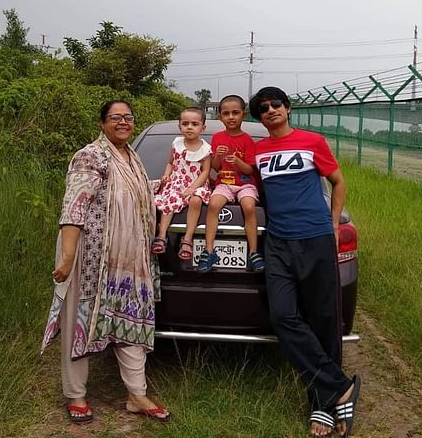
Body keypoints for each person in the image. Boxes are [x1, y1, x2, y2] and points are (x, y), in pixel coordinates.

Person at [41, 100, 171, 424]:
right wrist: (68, 256)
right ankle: (76, 395)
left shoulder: (134, 158)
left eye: (128, 117)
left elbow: (134, 191)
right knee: (79, 322)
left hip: (130, 261)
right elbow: (74, 206)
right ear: (102, 123)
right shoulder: (91, 155)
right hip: (91, 258)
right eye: (115, 117)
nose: (123, 122)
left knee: (133, 322)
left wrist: (164, 184)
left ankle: (136, 395)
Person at [249, 87, 361, 438]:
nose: (270, 110)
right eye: (263, 108)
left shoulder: (313, 141)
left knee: (323, 320)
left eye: (276, 104)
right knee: (283, 316)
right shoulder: (258, 151)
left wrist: (331, 223)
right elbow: (251, 187)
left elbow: (338, 182)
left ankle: (322, 408)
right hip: (279, 242)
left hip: (315, 239)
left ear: (288, 108)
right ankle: (341, 386)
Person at [196, 94, 264, 273]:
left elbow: (250, 170)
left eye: (235, 113)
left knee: (249, 207)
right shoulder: (218, 137)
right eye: (226, 113)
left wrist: (237, 162)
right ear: (220, 117)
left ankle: (253, 253)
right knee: (213, 204)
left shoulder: (247, 140)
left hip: (245, 184)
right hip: (224, 184)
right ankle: (209, 250)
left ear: (244, 115)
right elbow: (215, 169)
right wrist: (218, 155)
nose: (231, 117)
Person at [152, 107, 212, 260]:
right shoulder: (176, 144)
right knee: (169, 199)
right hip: (177, 182)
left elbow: (205, 172)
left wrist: (193, 188)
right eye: (185, 124)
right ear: (179, 127)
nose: (189, 127)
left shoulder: (206, 149)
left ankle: (187, 238)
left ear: (202, 128)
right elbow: (170, 163)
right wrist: (166, 174)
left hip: (196, 183)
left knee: (196, 200)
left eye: (194, 124)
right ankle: (161, 236)